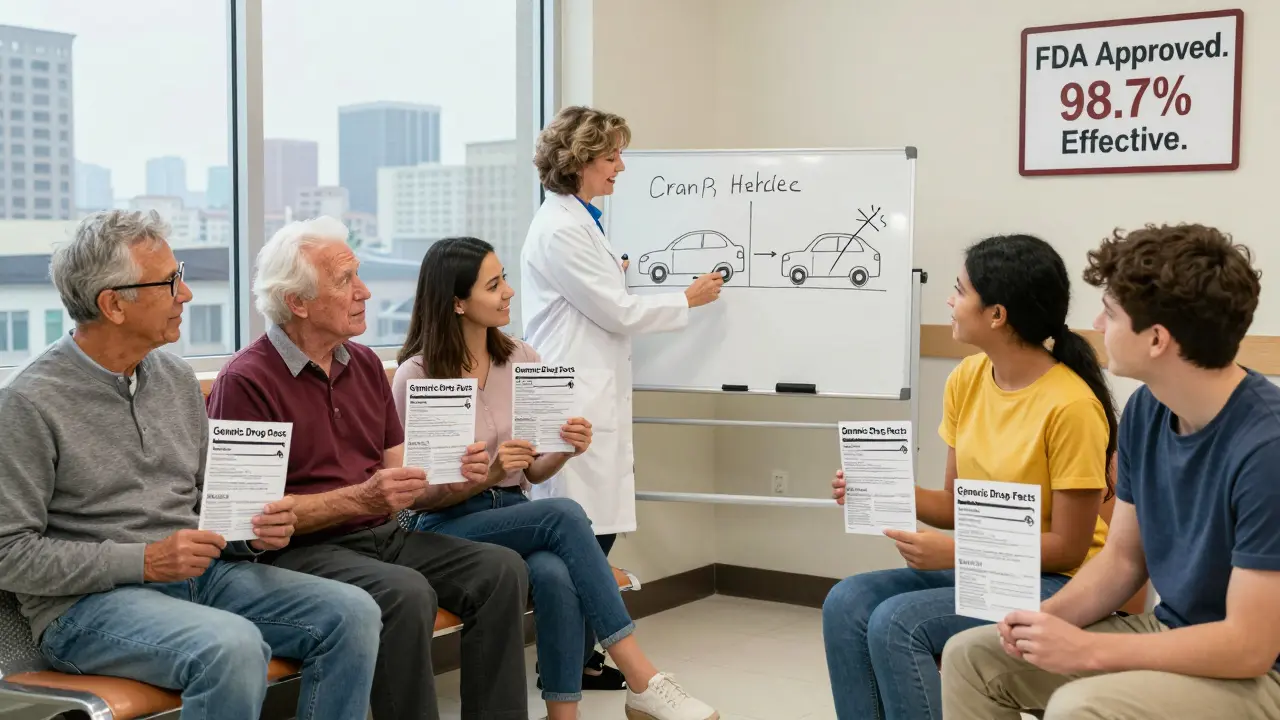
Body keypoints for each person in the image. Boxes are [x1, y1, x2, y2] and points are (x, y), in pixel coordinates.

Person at [0, 210, 381, 720]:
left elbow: (211, 505)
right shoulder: (29, 403)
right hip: (86, 607)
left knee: (353, 613)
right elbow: (10, 554)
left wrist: (256, 529)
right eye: (171, 282)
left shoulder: (176, 379)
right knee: (232, 647)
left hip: (200, 577)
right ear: (113, 304)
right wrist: (144, 561)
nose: (187, 295)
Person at [942, 224, 1280, 719]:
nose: (1097, 323)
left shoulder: (1267, 450)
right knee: (972, 657)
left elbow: (1248, 647)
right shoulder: (1147, 409)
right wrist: (1041, 622)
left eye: (1112, 312)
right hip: (1172, 632)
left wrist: (1089, 650)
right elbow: (1122, 561)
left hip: (1259, 672)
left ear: (1158, 339)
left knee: (1081, 707)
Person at [205, 216, 530, 720]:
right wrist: (363, 499)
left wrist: (460, 476)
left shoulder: (363, 365)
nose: (365, 292)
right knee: (405, 593)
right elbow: (244, 524)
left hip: (382, 535)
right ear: (298, 302)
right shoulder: (247, 380)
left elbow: (401, 480)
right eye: (346, 281)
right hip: (299, 552)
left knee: (501, 569)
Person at [392, 236, 720, 720]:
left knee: (554, 570)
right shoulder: (416, 375)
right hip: (442, 523)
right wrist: (488, 476)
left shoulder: (521, 357)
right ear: (457, 302)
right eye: (494, 284)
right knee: (566, 513)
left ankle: (562, 716)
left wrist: (564, 449)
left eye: (504, 278)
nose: (509, 292)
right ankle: (641, 675)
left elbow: (535, 469)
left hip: (511, 511)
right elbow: (416, 496)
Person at [823, 234, 1118, 720]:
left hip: (1058, 581)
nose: (949, 301)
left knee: (897, 623)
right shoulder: (967, 378)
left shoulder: (1072, 406)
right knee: (846, 601)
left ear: (997, 315)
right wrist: (883, 491)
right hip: (987, 568)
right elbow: (953, 503)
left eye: (959, 291)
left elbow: (1068, 546)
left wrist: (958, 552)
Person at [520, 105, 725, 684]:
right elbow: (616, 310)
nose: (621, 168)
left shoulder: (579, 221)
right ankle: (571, 661)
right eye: (611, 157)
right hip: (572, 395)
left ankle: (578, 656)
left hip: (589, 387)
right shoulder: (562, 228)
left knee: (593, 531)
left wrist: (616, 269)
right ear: (579, 162)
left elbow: (599, 294)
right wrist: (688, 298)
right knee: (583, 532)